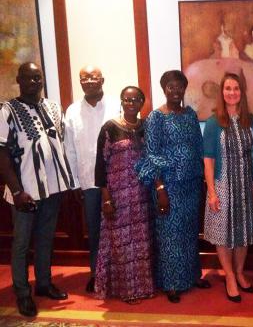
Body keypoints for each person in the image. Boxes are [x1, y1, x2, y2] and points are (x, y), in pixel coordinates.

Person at [0, 62, 74, 317]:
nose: (34, 82)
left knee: (45, 239)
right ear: (19, 80)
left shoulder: (53, 107)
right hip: (25, 192)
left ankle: (43, 283)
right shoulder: (7, 111)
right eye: (28, 78)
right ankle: (22, 292)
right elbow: (2, 154)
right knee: (21, 244)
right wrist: (17, 190)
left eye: (37, 78)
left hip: (53, 188)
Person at [136, 70, 210, 304]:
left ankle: (191, 275)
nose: (175, 91)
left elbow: (199, 147)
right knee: (170, 235)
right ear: (164, 89)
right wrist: (160, 189)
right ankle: (171, 283)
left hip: (192, 183)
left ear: (184, 89)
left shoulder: (190, 115)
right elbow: (151, 154)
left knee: (189, 232)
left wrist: (205, 179)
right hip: (167, 185)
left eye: (179, 86)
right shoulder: (155, 118)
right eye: (171, 86)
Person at [203, 72, 253, 303]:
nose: (232, 92)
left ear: (242, 92)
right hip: (222, 185)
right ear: (222, 92)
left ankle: (239, 272)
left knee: (244, 231)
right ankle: (229, 275)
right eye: (227, 88)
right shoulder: (213, 122)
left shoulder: (252, 120)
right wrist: (211, 191)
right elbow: (208, 158)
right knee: (223, 233)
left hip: (247, 186)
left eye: (236, 88)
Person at [93, 86, 154, 304]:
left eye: (136, 99)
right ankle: (125, 290)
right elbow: (100, 165)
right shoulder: (110, 128)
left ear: (141, 103)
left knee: (140, 244)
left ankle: (143, 287)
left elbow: (152, 158)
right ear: (121, 101)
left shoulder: (146, 127)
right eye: (127, 99)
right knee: (120, 244)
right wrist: (106, 197)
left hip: (141, 195)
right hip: (117, 196)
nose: (131, 103)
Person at [64, 65, 119, 293]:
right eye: (83, 78)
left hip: (117, 182)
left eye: (93, 77)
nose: (88, 81)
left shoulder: (117, 104)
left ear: (102, 80)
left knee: (118, 228)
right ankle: (96, 273)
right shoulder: (72, 111)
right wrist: (74, 182)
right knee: (95, 230)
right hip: (89, 183)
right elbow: (69, 150)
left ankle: (118, 274)